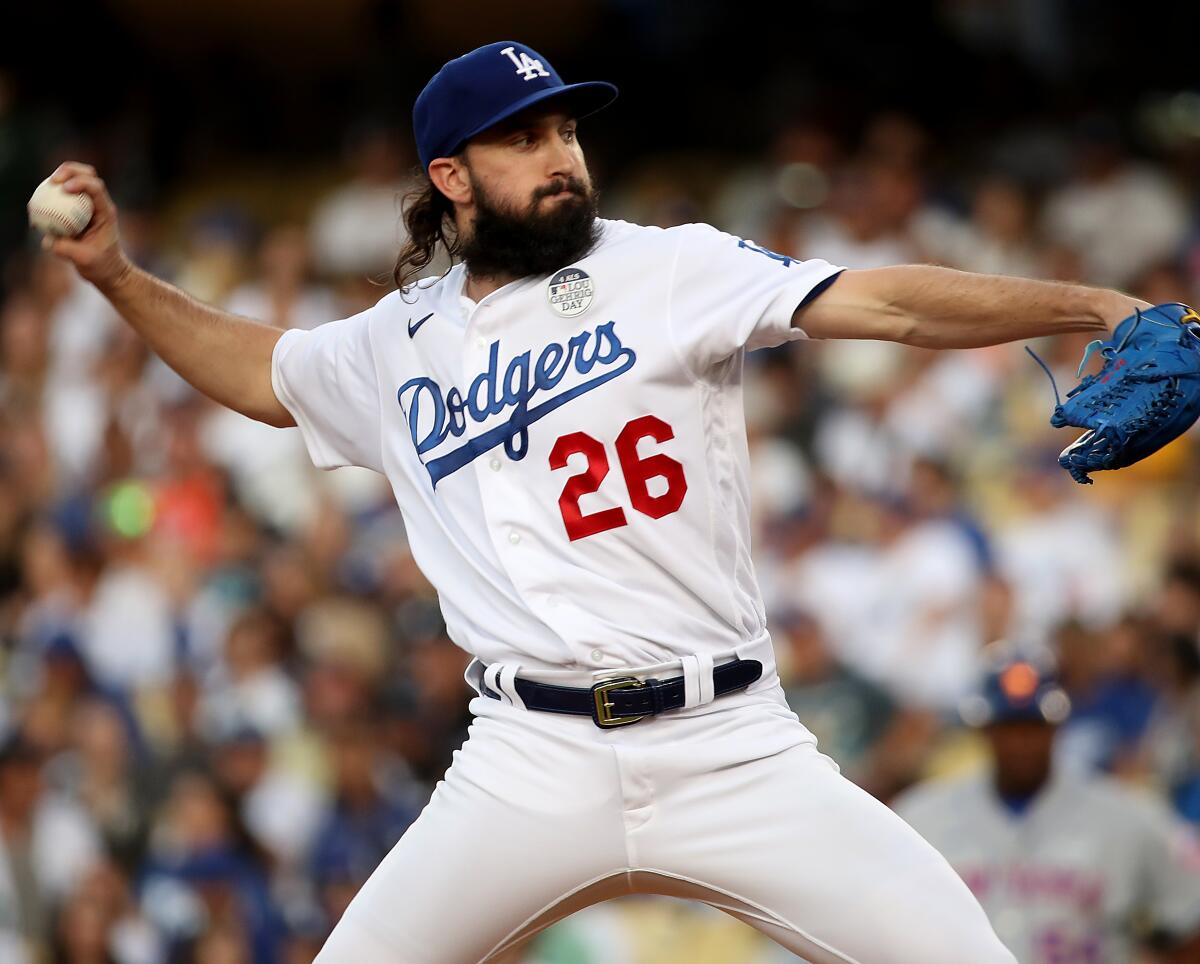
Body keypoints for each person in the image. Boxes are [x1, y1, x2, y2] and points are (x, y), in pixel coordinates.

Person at [42, 39, 1159, 964]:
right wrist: (118, 279)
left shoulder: (669, 266)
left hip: (733, 744)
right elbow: (261, 373)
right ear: (451, 175)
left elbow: (890, 305)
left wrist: (1091, 304)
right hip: (526, 756)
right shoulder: (393, 342)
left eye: (568, 130)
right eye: (524, 138)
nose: (561, 155)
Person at [894, 655, 1200, 962]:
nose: (1021, 743)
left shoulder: (1127, 815)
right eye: (1008, 728)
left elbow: (1188, 917)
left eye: (1033, 727)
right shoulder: (921, 817)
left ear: (1056, 727)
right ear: (986, 731)